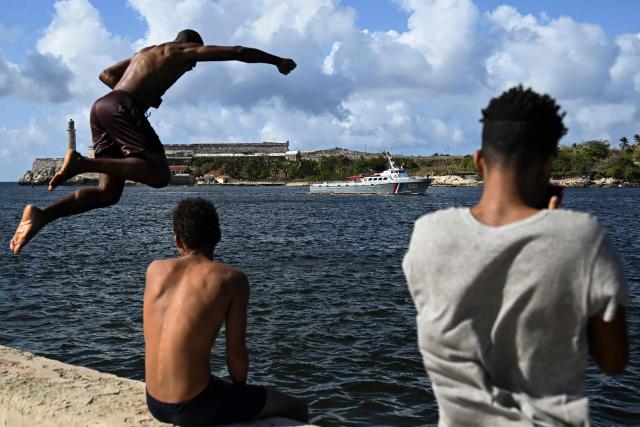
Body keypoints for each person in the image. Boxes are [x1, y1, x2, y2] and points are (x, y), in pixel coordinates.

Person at [403, 86, 628, 426]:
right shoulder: (583, 237)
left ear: (479, 161)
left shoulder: (428, 234)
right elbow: (613, 360)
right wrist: (551, 231)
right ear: (547, 165)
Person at [9, 29, 296, 254]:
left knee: (108, 194)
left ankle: (42, 215)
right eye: (192, 64)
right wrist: (277, 61)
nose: (189, 67)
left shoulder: (144, 53)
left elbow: (106, 74)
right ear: (190, 48)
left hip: (100, 108)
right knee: (159, 175)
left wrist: (145, 95)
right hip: (122, 106)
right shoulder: (183, 51)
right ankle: (82, 163)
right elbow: (237, 52)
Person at [144, 197, 308, 426]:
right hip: (194, 406)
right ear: (217, 237)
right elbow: (236, 356)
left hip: (154, 402)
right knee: (296, 407)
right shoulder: (232, 280)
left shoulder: (155, 270)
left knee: (215, 384)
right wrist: (241, 390)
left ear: (177, 240)